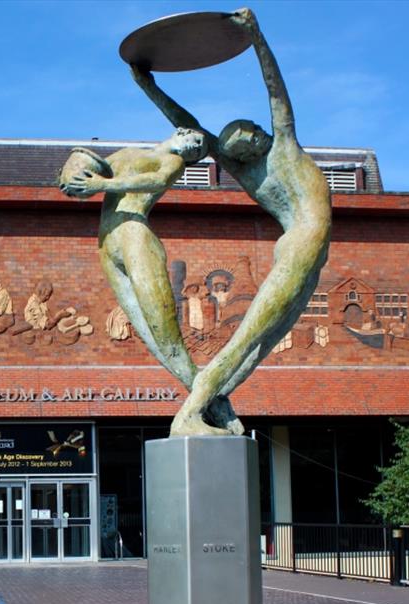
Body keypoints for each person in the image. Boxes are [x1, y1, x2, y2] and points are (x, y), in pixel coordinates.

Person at [131, 7, 333, 436]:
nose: (262, 133)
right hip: (300, 244)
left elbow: (205, 124)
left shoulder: (264, 159)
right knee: (247, 338)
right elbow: (269, 97)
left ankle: (214, 406)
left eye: (256, 131)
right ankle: (190, 413)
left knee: (259, 345)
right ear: (247, 149)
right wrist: (255, 38)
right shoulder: (279, 156)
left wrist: (151, 87)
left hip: (305, 250)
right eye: (254, 135)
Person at [60, 127, 210, 396]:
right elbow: (88, 179)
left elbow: (157, 180)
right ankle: (202, 397)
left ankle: (206, 399)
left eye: (198, 153)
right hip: (108, 241)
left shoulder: (173, 162)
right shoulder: (126, 153)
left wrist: (102, 185)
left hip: (135, 233)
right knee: (147, 333)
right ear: (182, 131)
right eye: (196, 142)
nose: (195, 150)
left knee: (163, 327)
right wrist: (72, 184)